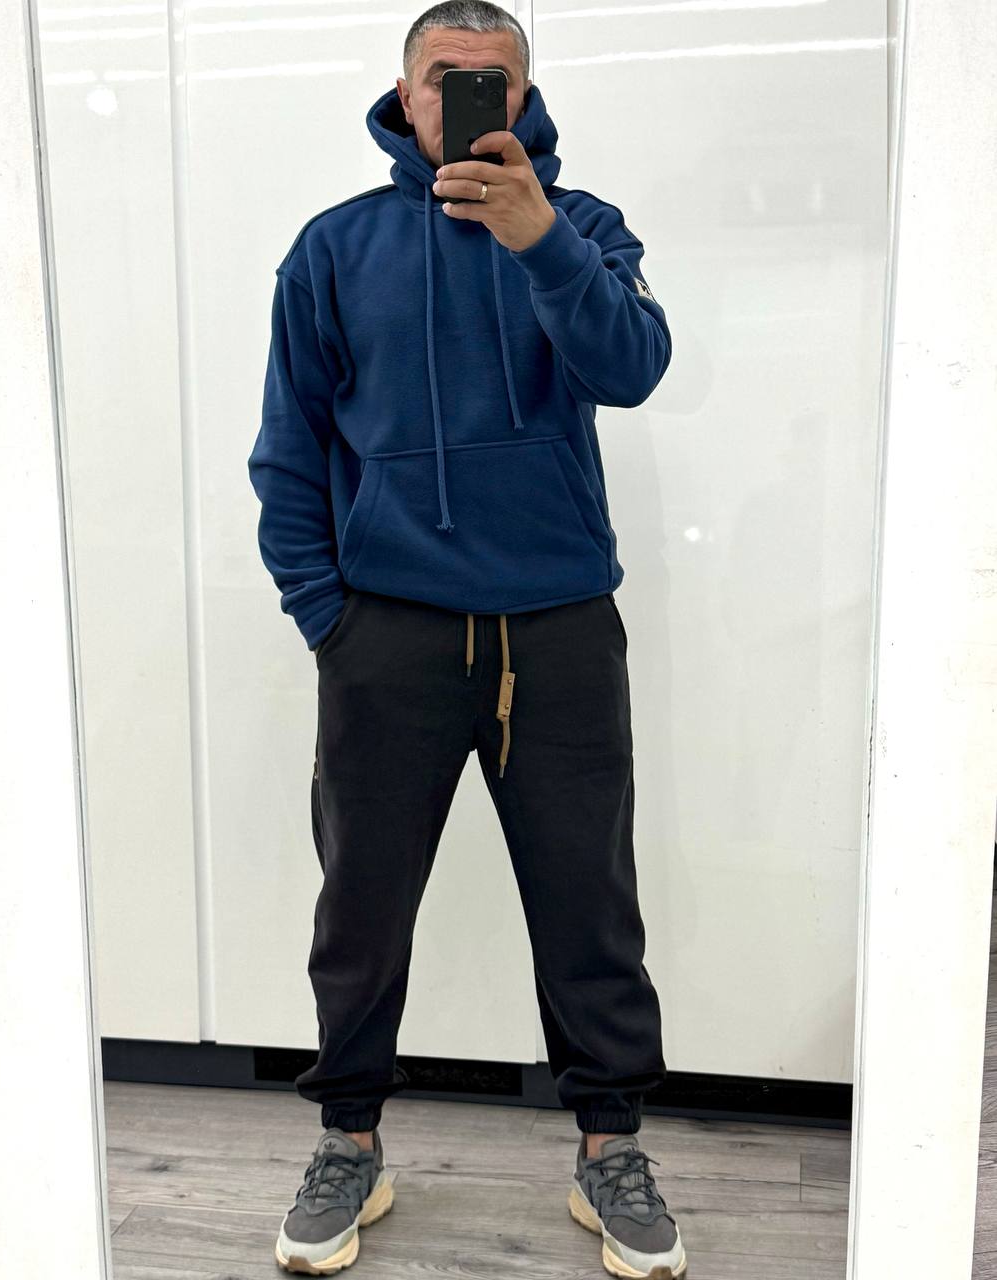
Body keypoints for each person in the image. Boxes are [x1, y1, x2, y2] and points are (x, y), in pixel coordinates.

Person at [248, 3, 685, 1275]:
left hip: (558, 625)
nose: (469, 98)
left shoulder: (582, 225)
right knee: (362, 904)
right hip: (389, 630)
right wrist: (327, 617)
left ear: (526, 96)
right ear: (405, 93)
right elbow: (288, 450)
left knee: (589, 897)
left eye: (495, 80)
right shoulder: (334, 248)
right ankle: (348, 1140)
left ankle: (609, 1146)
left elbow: (632, 367)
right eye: (447, 79)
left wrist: (539, 237)